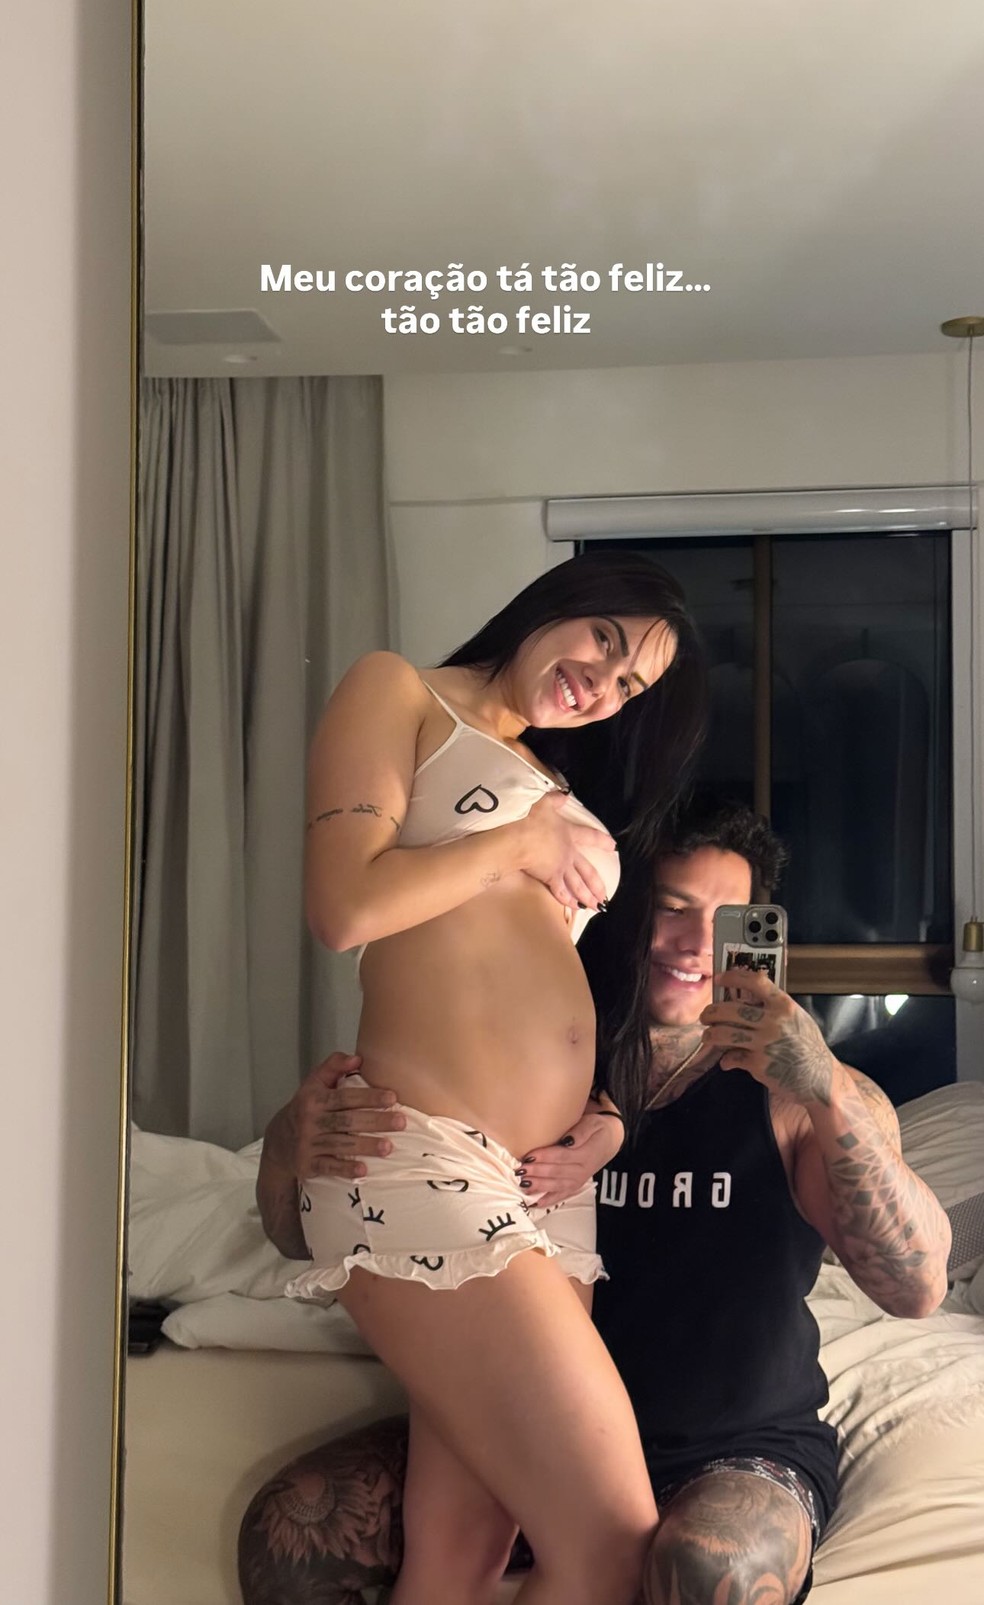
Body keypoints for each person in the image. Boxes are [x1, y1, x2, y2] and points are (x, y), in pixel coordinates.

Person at [240, 799, 951, 1605]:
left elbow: (917, 1286)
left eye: (724, 919)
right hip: (529, 1431)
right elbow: (299, 1235)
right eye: (672, 909)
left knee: (709, 1569)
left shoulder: (796, 1097)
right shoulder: (528, 1071)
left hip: (730, 1450)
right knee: (293, 1536)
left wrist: (825, 1087)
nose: (694, 943)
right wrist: (290, 1144)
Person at [271, 552, 706, 1605]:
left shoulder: (555, 778)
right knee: (613, 1549)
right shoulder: (400, 691)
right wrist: (519, 839)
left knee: (460, 1558)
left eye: (629, 684)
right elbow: (344, 908)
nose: (602, 684)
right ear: (558, 604)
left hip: (545, 1185)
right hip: (420, 1151)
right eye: (605, 640)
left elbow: (552, 975)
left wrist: (606, 1112)